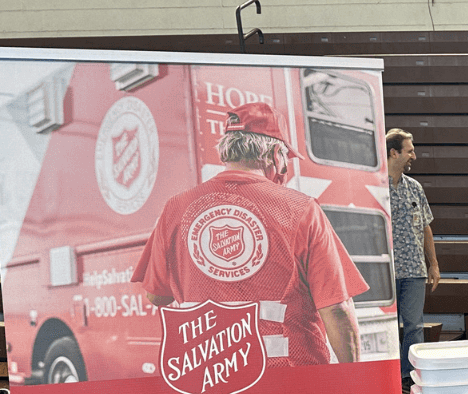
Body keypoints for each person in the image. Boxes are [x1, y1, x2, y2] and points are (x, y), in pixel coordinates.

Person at [134, 102, 366, 366]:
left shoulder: (175, 208)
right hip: (288, 379)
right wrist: (354, 381)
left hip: (209, 377)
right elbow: (336, 309)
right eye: (285, 160)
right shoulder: (301, 208)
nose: (285, 169)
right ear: (275, 155)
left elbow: (157, 296)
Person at [386, 128, 440, 387]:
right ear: (394, 153)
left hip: (414, 269)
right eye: (409, 151)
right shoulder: (374, 189)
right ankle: (389, 377)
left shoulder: (415, 188)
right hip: (384, 272)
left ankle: (410, 377)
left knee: (414, 326)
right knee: (387, 327)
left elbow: (426, 226)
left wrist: (434, 264)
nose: (414, 157)